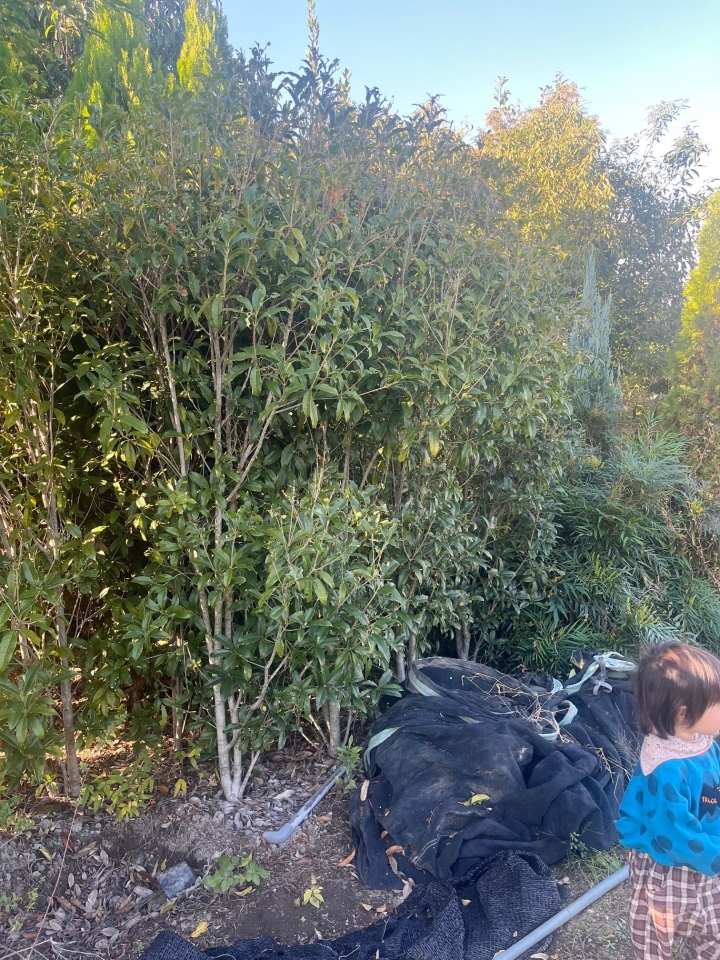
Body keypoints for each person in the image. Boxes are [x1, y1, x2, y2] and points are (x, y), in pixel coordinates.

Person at [617, 641, 720, 960]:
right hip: (667, 869)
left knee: (713, 930)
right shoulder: (665, 770)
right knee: (655, 938)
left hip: (707, 856)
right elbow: (676, 835)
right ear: (684, 713)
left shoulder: (703, 741)